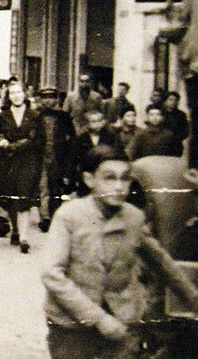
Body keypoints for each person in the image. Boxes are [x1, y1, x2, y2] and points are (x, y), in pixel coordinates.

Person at [41, 145, 198, 359]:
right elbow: (52, 274)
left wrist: (193, 299)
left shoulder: (133, 217)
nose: (119, 187)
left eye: (125, 179)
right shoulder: (69, 216)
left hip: (121, 324)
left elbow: (163, 263)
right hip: (72, 326)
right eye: (109, 178)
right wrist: (98, 319)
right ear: (89, 180)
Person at [0, 80, 44, 253]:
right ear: (8, 96)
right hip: (8, 162)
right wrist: (1, 141)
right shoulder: (2, 116)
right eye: (12, 93)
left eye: (19, 92)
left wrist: (14, 145)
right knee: (11, 198)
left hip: (28, 161)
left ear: (25, 94)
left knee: (24, 197)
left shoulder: (35, 115)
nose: (16, 96)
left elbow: (37, 140)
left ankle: (23, 237)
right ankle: (15, 229)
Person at [36, 87, 76, 232]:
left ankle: (53, 216)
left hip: (59, 156)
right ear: (40, 100)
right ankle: (44, 217)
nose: (48, 100)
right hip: (41, 156)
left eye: (52, 97)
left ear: (57, 100)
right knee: (42, 188)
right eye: (45, 97)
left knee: (56, 188)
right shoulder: (36, 116)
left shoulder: (64, 117)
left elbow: (71, 140)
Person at [74, 109, 120, 196]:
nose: (97, 124)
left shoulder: (111, 137)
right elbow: (74, 157)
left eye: (99, 121)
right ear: (87, 124)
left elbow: (118, 153)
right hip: (87, 175)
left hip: (106, 173)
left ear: (103, 122)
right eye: (93, 121)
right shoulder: (82, 139)